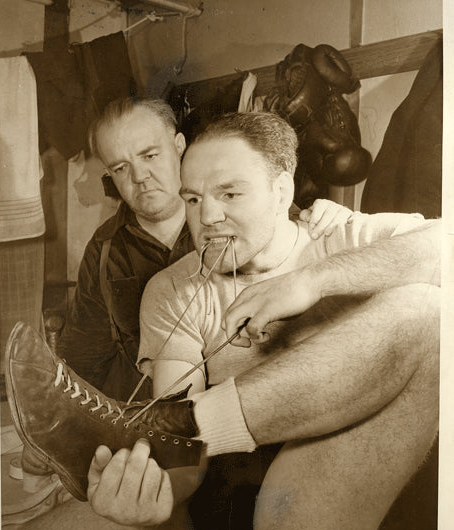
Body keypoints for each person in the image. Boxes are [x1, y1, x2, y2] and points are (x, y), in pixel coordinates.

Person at [84, 112, 440, 530]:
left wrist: (309, 282)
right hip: (233, 494)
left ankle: (201, 423)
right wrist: (154, 489)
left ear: (281, 192)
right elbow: (181, 462)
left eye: (229, 193)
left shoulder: (339, 237)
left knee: (430, 310)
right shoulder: (174, 288)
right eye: (192, 199)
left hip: (340, 484)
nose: (208, 216)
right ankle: (195, 427)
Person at [56, 97, 355, 402]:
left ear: (179, 145)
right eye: (120, 168)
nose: (139, 177)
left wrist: (335, 222)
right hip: (155, 412)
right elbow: (81, 358)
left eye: (149, 155)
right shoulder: (105, 248)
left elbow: (293, 231)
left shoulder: (255, 215)